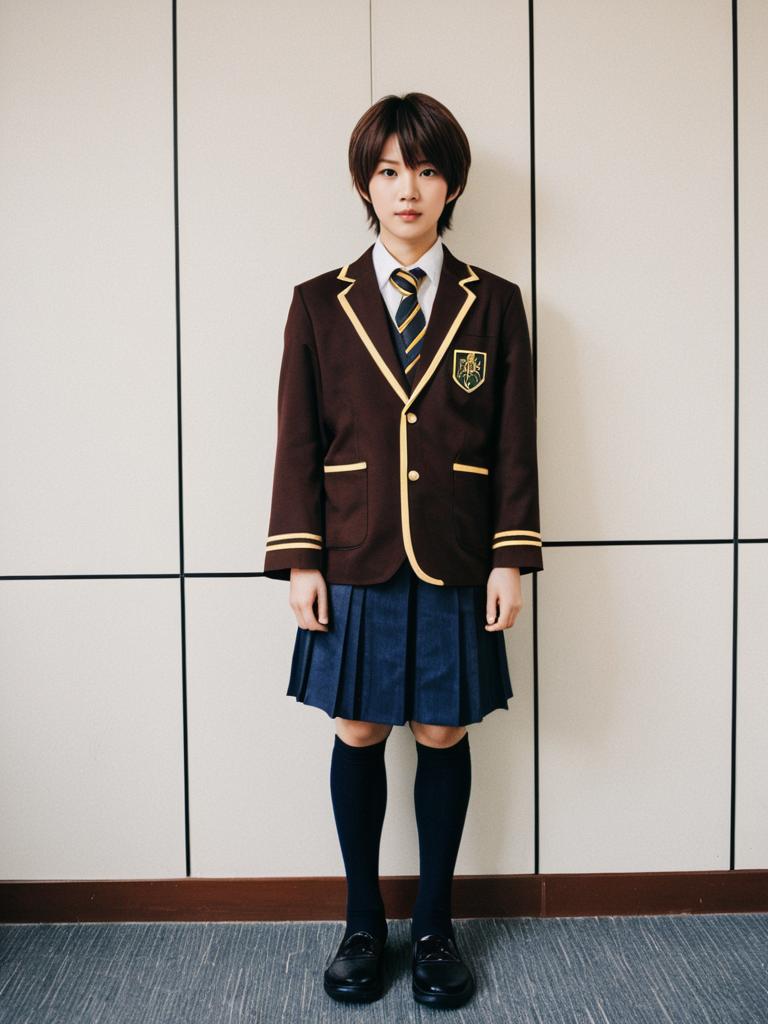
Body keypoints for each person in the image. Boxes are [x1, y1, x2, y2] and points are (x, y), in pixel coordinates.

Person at [261, 91, 543, 1009]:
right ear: (365, 184)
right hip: (352, 558)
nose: (407, 188)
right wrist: (301, 560)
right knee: (358, 732)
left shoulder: (494, 305)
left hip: (459, 559)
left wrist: (511, 556)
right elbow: (297, 442)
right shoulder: (317, 303)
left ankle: (433, 929)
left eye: (424, 170)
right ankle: (358, 925)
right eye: (389, 171)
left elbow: (512, 440)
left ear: (451, 182)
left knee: (441, 733)